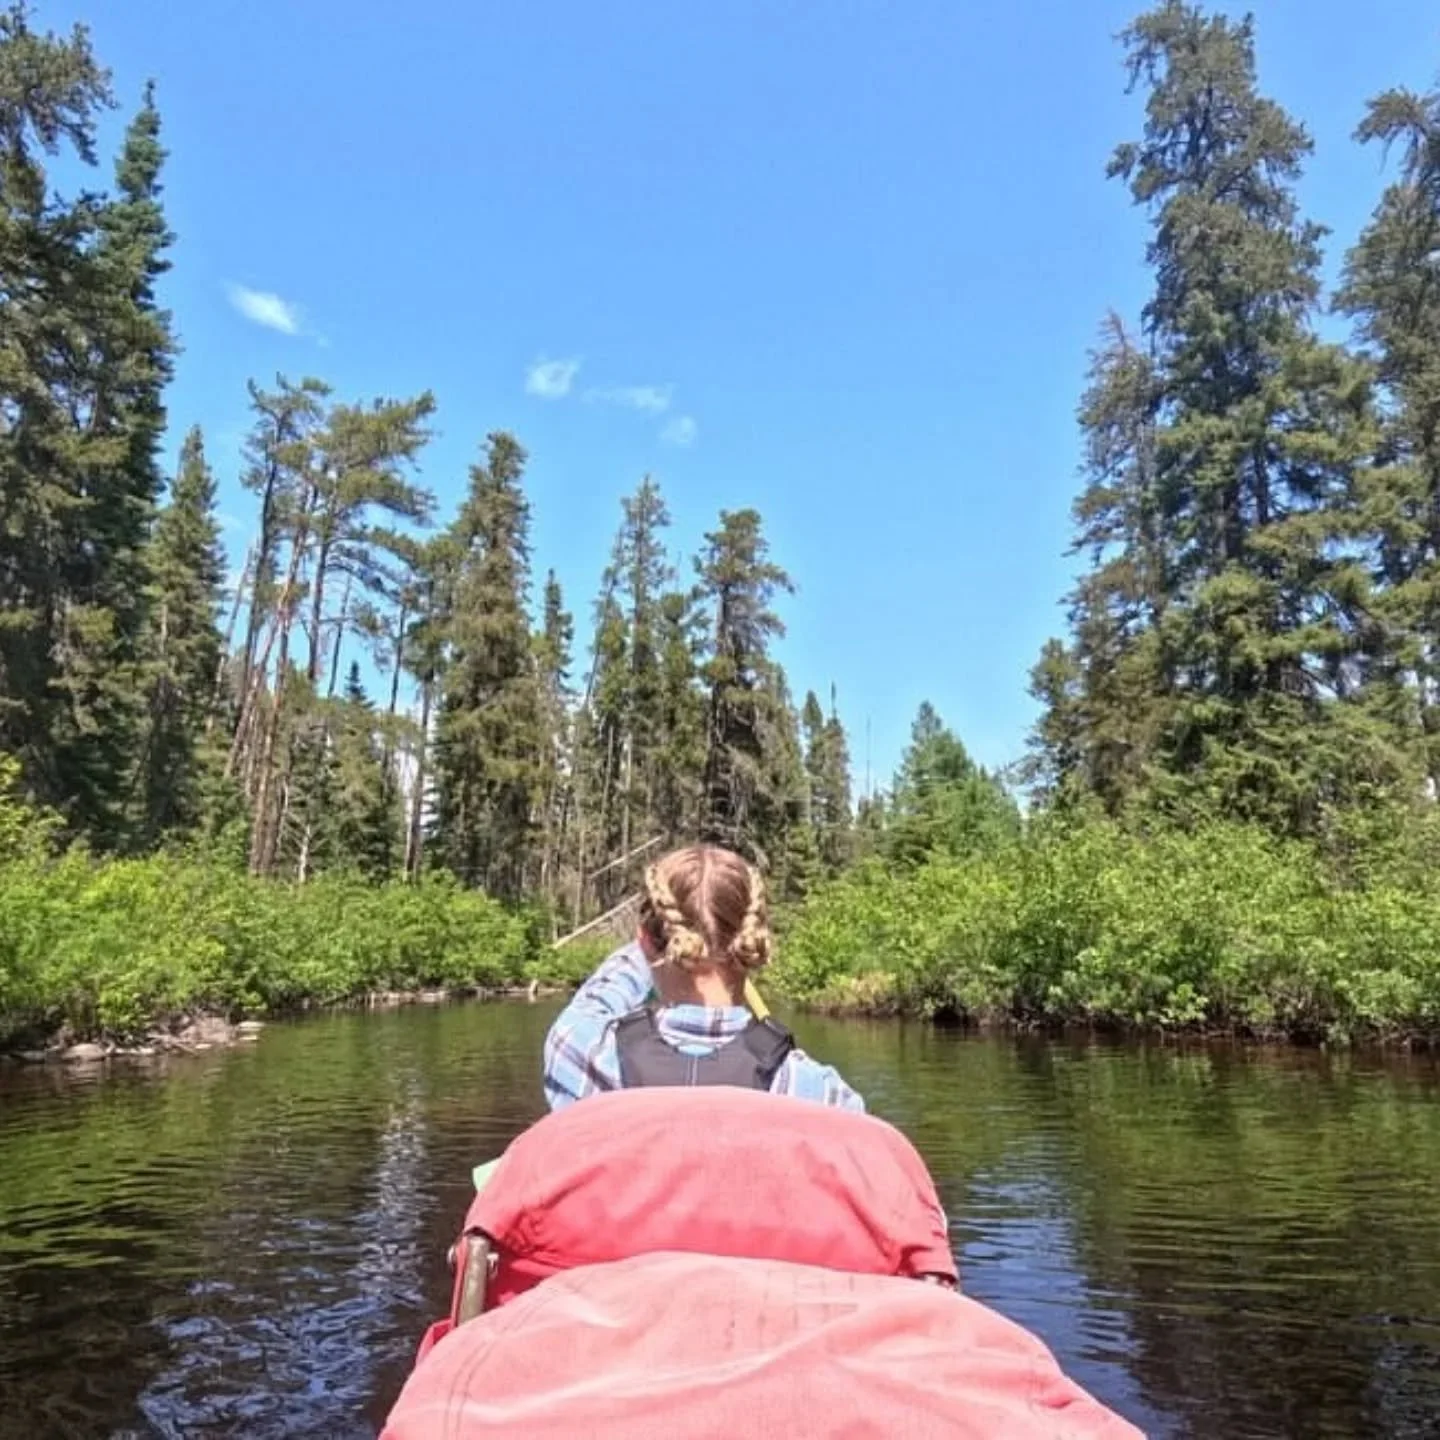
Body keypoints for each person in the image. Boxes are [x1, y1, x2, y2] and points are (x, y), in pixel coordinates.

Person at [543, 844, 865, 1112]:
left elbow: (597, 999)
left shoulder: (584, 1053)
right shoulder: (817, 1091)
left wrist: (651, 942)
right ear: (754, 940)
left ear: (647, 941)